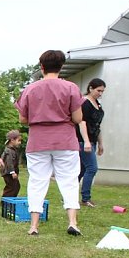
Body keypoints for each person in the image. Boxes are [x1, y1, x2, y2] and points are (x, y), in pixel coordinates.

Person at [15, 50, 84, 236]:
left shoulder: (30, 89)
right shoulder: (71, 88)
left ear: (42, 66)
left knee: (37, 181)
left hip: (38, 141)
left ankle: (34, 225)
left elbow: (22, 119)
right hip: (65, 140)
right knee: (69, 180)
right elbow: (78, 118)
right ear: (61, 66)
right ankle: (72, 222)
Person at [76, 78, 106, 208]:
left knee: (81, 170)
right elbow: (81, 122)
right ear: (90, 88)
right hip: (82, 141)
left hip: (92, 141)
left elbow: (97, 126)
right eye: (98, 90)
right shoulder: (85, 103)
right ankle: (85, 198)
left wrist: (100, 144)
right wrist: (86, 141)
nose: (100, 93)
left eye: (102, 91)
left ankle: (68, 195)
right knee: (92, 168)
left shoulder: (98, 105)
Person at [0, 129, 23, 198]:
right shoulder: (9, 151)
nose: (20, 143)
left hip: (9, 172)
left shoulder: (12, 150)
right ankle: (6, 201)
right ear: (12, 140)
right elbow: (9, 162)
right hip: (8, 172)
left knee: (15, 186)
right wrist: (12, 172)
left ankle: (11, 200)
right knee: (12, 187)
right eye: (18, 140)